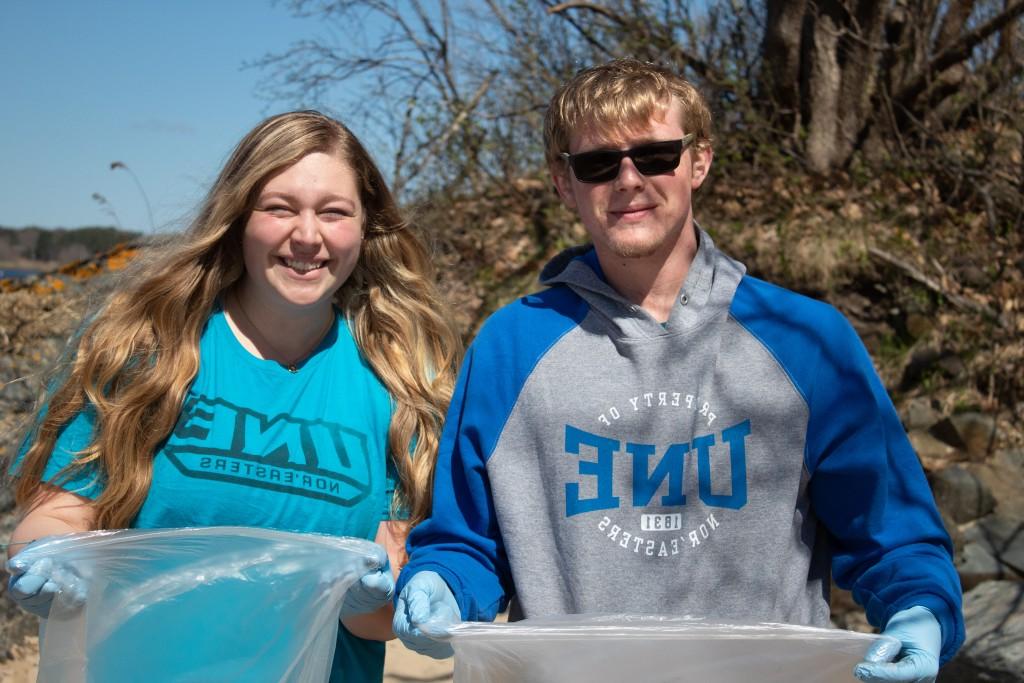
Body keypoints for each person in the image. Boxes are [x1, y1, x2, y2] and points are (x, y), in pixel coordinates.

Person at [392, 59, 964, 682]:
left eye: (656, 155)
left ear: (698, 162)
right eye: (598, 164)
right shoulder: (510, 346)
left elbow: (890, 529)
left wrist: (921, 611)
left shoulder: (807, 342)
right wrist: (440, 582)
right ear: (564, 182)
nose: (629, 180)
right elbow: (466, 539)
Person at [6, 110, 462, 683]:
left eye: (333, 212)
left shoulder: (398, 377)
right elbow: (54, 519)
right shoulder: (146, 345)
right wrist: (54, 563)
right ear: (238, 217)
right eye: (280, 207)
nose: (307, 235)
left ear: (365, 227)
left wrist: (376, 598)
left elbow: (377, 617)